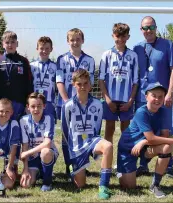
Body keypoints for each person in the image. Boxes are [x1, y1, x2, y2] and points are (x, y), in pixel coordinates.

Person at [116, 82, 173, 198]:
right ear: (146, 96)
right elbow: (152, 138)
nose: (157, 99)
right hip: (128, 148)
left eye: (160, 96)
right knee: (129, 187)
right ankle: (122, 172)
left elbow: (165, 137)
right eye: (154, 95)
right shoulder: (141, 112)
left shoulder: (164, 112)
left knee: (167, 147)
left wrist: (144, 142)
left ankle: (155, 185)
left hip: (144, 146)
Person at [133, 16, 173, 177]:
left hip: (163, 96)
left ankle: (168, 165)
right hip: (143, 96)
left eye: (151, 27)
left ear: (156, 28)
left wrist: (170, 92)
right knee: (143, 131)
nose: (148, 31)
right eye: (145, 28)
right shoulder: (137, 48)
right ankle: (143, 164)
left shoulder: (168, 45)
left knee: (166, 130)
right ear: (141, 30)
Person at [61, 69, 113, 200]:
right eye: (79, 84)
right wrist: (68, 158)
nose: (83, 87)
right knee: (80, 185)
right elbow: (65, 132)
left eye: (85, 83)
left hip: (91, 141)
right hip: (76, 147)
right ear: (74, 84)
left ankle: (103, 186)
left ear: (90, 84)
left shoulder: (98, 104)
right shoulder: (67, 106)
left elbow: (98, 127)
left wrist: (94, 146)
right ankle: (74, 169)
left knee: (108, 146)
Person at [56, 28, 96, 178]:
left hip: (83, 104)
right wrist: (67, 101)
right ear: (68, 41)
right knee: (67, 136)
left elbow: (89, 83)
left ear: (82, 41)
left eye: (78, 39)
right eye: (72, 40)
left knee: (82, 134)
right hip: (66, 104)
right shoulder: (61, 59)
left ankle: (82, 165)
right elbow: (59, 81)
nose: (75, 42)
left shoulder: (90, 60)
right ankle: (69, 165)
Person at [99, 23, 139, 143]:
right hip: (110, 100)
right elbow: (101, 80)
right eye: (117, 36)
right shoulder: (106, 55)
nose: (120, 39)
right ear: (113, 36)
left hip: (126, 100)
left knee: (126, 132)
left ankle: (123, 161)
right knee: (109, 130)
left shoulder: (133, 55)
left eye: (123, 36)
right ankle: (108, 160)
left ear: (128, 37)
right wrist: (108, 100)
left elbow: (135, 81)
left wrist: (130, 101)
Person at [0, 31, 33, 121]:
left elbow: (29, 84)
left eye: (13, 42)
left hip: (18, 103)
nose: (10, 45)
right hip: (1, 104)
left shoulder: (23, 61)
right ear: (3, 44)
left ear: (17, 44)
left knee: (17, 130)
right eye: (7, 42)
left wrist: (27, 104)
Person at [19, 92, 58, 192]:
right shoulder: (23, 120)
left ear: (44, 106)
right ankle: (41, 172)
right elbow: (25, 144)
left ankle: (47, 183)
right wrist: (25, 169)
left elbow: (47, 143)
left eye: (39, 106)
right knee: (25, 184)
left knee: (45, 152)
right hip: (32, 157)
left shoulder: (49, 118)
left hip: (47, 153)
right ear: (28, 107)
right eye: (33, 106)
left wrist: (27, 153)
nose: (36, 109)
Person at [30, 36, 57, 120]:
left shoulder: (55, 66)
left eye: (47, 48)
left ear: (51, 49)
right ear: (37, 48)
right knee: (35, 125)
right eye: (41, 48)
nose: (44, 51)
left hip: (49, 101)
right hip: (34, 102)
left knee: (49, 125)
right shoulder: (31, 66)